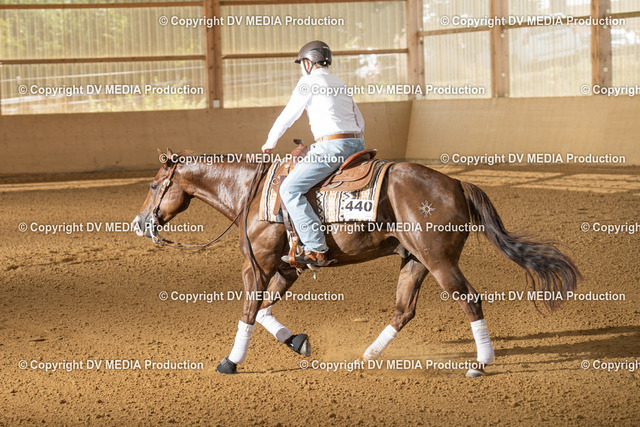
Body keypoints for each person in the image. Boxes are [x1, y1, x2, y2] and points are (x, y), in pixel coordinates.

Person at [261, 40, 365, 267]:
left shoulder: (307, 82)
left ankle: (315, 247)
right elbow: (359, 119)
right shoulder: (339, 82)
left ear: (308, 63)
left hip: (332, 147)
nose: (301, 68)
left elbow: (288, 116)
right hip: (358, 144)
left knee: (290, 189)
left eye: (301, 63)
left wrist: (270, 142)